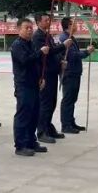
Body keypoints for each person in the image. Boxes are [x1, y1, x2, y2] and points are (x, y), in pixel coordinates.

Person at [10, 19, 49, 156]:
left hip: (34, 84)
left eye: (31, 28)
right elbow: (25, 60)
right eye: (26, 28)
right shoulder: (17, 45)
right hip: (23, 85)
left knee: (34, 114)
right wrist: (40, 52)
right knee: (23, 115)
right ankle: (20, 145)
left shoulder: (31, 43)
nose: (29, 30)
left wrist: (41, 78)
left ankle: (31, 141)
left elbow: (37, 63)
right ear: (19, 29)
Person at [33, 13, 67, 142]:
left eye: (49, 20)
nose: (48, 22)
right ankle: (41, 131)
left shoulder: (47, 35)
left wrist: (60, 61)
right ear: (38, 22)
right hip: (45, 74)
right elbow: (47, 52)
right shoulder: (38, 36)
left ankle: (48, 126)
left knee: (52, 102)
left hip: (52, 72)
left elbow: (53, 53)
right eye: (45, 20)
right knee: (45, 103)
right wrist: (64, 45)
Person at [59, 17, 94, 134]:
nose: (76, 26)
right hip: (69, 73)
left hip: (75, 72)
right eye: (74, 24)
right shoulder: (65, 38)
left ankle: (71, 122)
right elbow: (72, 55)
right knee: (68, 99)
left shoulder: (71, 37)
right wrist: (86, 52)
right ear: (69, 26)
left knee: (72, 99)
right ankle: (66, 125)